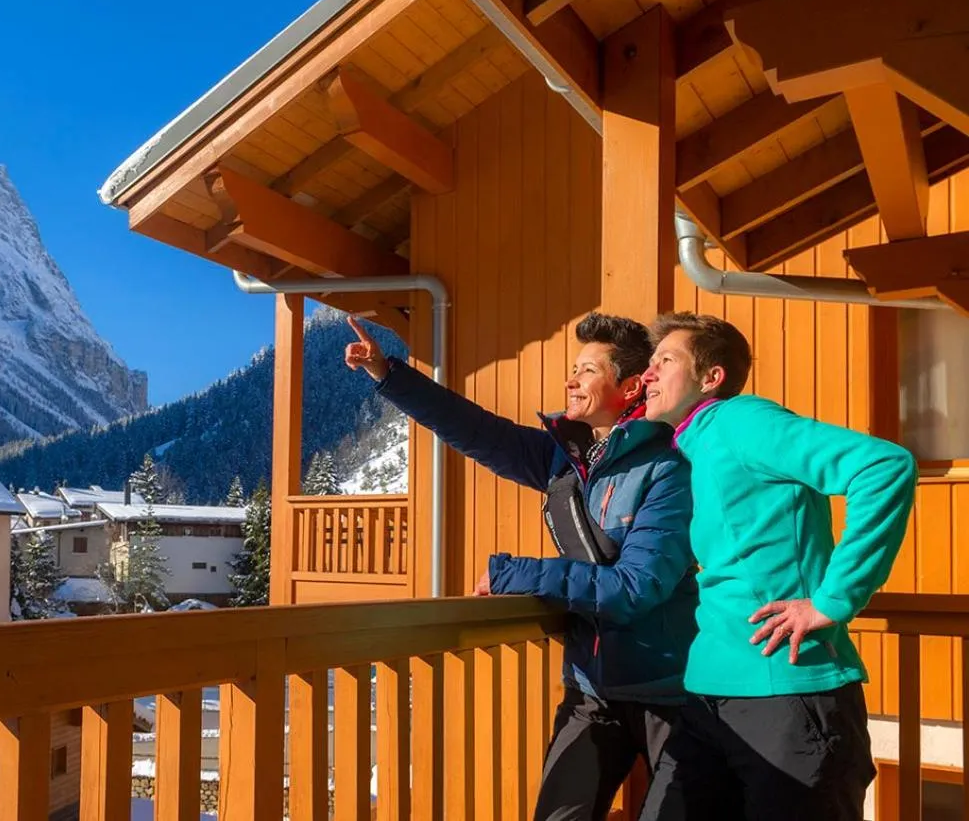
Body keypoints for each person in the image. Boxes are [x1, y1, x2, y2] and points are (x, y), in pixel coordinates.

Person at [345, 312, 698, 821]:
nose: (571, 381)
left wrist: (516, 573)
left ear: (629, 388)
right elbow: (475, 429)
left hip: (669, 690)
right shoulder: (566, 459)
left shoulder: (666, 469)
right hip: (592, 689)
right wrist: (387, 373)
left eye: (588, 371)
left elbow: (635, 588)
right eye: (573, 369)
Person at [638, 312, 918, 821]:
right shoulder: (698, 443)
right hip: (709, 694)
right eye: (650, 362)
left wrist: (834, 599)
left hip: (788, 694)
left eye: (666, 360)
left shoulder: (741, 421)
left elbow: (883, 466)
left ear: (711, 377)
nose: (648, 373)